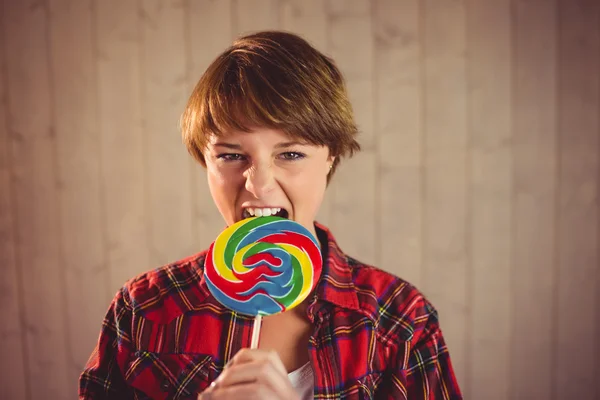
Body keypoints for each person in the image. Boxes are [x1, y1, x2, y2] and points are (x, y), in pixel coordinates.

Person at [79, 30, 463, 400]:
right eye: (231, 155)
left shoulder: (400, 321)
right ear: (204, 161)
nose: (258, 185)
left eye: (290, 154)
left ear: (330, 156)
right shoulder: (143, 310)